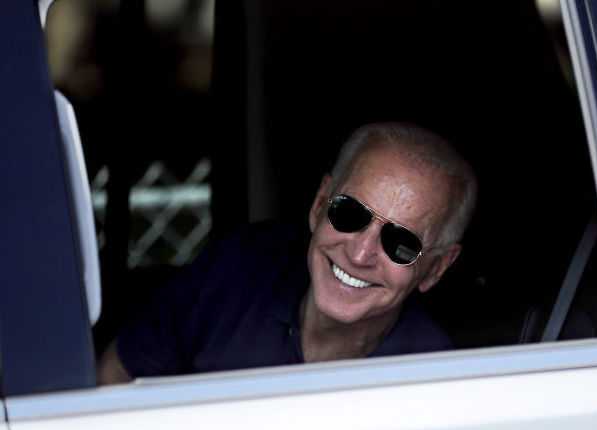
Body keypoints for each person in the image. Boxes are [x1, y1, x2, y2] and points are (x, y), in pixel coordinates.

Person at [97, 122, 477, 384]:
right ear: (319, 204)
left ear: (436, 269)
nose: (360, 254)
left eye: (401, 243)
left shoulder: (433, 379)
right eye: (349, 213)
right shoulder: (236, 269)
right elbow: (116, 376)